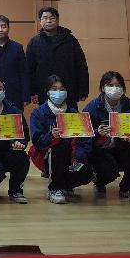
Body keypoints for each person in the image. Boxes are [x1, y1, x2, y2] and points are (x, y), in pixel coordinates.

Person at [29, 76, 94, 204]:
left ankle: (65, 184)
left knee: (87, 173)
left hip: (71, 156)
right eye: (54, 89)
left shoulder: (73, 113)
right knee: (60, 144)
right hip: (47, 155)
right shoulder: (38, 113)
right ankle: (54, 188)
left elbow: (84, 139)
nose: (58, 92)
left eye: (62, 89)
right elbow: (37, 142)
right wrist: (51, 136)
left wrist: (79, 158)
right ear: (48, 92)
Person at [83, 71, 130, 201]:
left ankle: (128, 187)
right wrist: (97, 133)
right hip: (101, 151)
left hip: (121, 147)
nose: (115, 88)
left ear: (123, 88)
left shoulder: (129, 104)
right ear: (103, 88)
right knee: (108, 172)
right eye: (110, 85)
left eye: (118, 85)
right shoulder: (92, 107)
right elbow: (84, 136)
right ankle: (99, 180)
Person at [26, 7, 89, 104]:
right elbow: (30, 70)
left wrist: (83, 90)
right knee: (46, 113)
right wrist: (32, 92)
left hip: (69, 89)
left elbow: (81, 66)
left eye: (52, 18)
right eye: (45, 18)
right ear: (40, 21)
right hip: (43, 91)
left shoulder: (70, 40)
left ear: (57, 20)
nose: (48, 21)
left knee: (70, 113)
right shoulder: (34, 42)